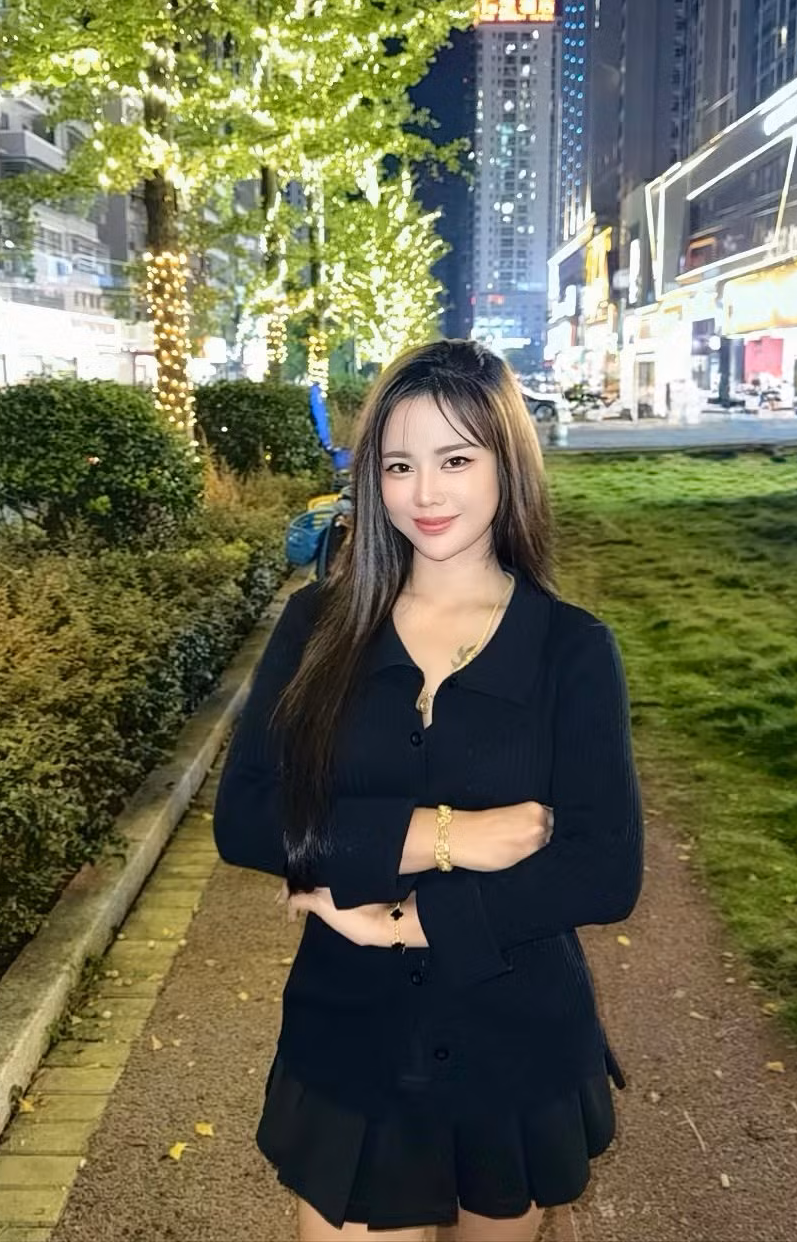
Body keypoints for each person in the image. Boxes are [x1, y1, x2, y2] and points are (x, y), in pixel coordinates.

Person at [214, 339, 644, 1242]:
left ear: (506, 463)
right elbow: (248, 816)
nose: (425, 493)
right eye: (399, 465)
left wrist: (406, 920)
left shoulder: (570, 648)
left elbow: (604, 869)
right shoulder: (317, 626)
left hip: (516, 1039)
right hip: (350, 1037)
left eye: (455, 459)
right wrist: (448, 835)